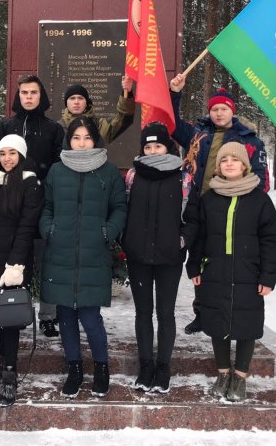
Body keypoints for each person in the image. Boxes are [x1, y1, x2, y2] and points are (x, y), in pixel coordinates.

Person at [169, 75, 269, 334]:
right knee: (200, 259)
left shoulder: (249, 140)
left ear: (232, 111)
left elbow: (261, 178)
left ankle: (230, 312)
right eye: (214, 109)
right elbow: (173, 126)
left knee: (227, 264)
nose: (218, 113)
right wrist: (175, 94)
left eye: (223, 109)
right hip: (200, 206)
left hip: (231, 208)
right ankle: (202, 312)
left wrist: (248, 205)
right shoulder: (198, 134)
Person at [38, 117, 127, 399]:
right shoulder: (56, 170)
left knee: (90, 317)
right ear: (69, 141)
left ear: (95, 141)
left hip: (93, 252)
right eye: (76, 137)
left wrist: (107, 231)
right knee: (65, 317)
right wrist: (48, 228)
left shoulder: (109, 171)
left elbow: (119, 208)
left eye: (87, 137)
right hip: (60, 251)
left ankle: (102, 368)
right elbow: (47, 206)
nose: (81, 143)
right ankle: (73, 369)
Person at [184, 142, 276, 402]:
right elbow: (200, 237)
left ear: (244, 165)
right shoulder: (210, 198)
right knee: (218, 322)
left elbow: (270, 240)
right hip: (215, 272)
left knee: (246, 324)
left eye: (234, 160)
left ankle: (240, 377)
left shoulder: (259, 200)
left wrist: (268, 275)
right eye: (223, 160)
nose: (229, 163)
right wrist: (194, 265)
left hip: (248, 273)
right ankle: (223, 373)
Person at [0, 75, 65, 337]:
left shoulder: (53, 129)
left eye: (34, 92)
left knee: (45, 261)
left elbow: (58, 165)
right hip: (10, 205)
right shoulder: (5, 125)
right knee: (11, 257)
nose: (29, 97)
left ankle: (48, 315)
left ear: (41, 96)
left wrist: (39, 185)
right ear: (18, 96)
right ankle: (9, 309)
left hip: (42, 202)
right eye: (24, 92)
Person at [0, 134, 43, 407]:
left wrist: (16, 264)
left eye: (13, 153)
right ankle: (2, 359)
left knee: (9, 317)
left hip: (14, 260)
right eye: (4, 154)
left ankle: (10, 374)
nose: (7, 159)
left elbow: (27, 226)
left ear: (22, 156)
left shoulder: (30, 183)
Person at [122, 122, 187, 394]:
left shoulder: (182, 176)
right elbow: (123, 209)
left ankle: (163, 366)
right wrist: (126, 240)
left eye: (157, 146)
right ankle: (146, 365)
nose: (152, 151)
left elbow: (191, 215)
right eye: (147, 147)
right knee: (143, 313)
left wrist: (182, 240)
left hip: (169, 256)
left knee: (165, 313)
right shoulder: (133, 176)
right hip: (138, 255)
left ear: (167, 147)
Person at [58, 77, 135, 145]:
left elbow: (124, 118)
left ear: (86, 103)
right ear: (66, 103)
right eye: (72, 98)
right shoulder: (57, 128)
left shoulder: (100, 125)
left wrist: (127, 93)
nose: (76, 102)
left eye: (80, 98)